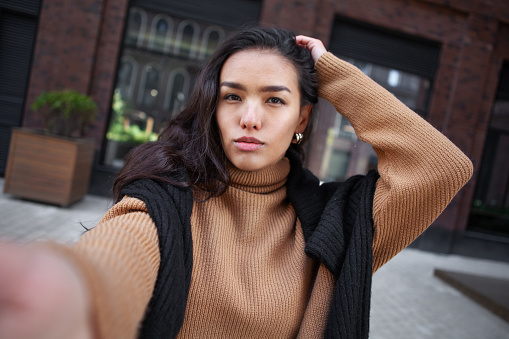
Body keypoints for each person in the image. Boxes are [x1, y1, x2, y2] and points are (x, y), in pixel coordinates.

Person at [0, 26, 473, 339]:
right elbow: (117, 257)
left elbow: (441, 166)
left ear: (303, 117)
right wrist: (72, 290)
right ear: (213, 106)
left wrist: (329, 73)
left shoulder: (336, 224)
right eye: (233, 97)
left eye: (274, 100)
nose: (249, 118)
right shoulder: (167, 198)